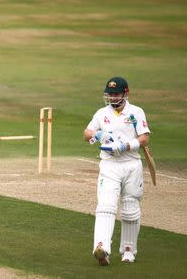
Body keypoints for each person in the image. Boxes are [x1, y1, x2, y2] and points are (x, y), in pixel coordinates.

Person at [83, 77, 150, 265]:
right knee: (105, 206)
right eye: (110, 94)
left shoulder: (136, 112)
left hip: (131, 165)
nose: (112, 98)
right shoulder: (101, 113)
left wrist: (127, 145)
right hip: (109, 165)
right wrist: (98, 134)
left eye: (116, 94)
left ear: (125, 93)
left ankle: (128, 250)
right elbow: (86, 133)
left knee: (130, 209)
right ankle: (101, 247)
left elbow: (144, 138)